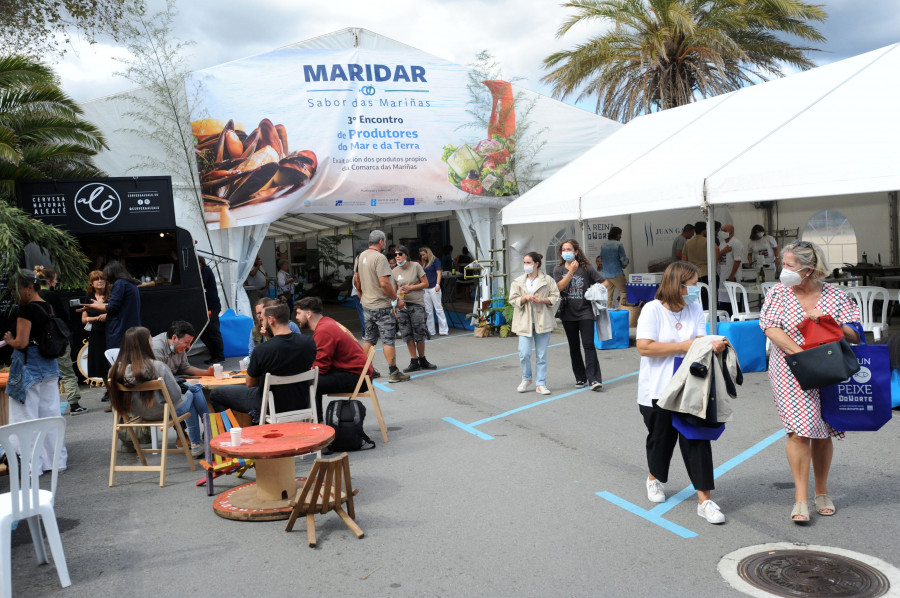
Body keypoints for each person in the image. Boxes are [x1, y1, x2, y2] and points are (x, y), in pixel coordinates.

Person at [759, 240, 860, 523]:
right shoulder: (778, 294)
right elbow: (769, 327)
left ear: (809, 268)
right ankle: (800, 498)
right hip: (791, 369)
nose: (784, 270)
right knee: (798, 430)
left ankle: (822, 491)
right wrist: (801, 354)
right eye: (784, 264)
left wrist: (831, 322)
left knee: (823, 429)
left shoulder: (835, 296)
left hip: (829, 369)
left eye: (790, 266)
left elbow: (855, 334)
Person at [636, 261, 728, 524]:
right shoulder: (652, 310)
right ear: (678, 285)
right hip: (657, 388)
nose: (696, 289)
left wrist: (713, 346)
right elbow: (645, 347)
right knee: (661, 440)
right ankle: (654, 478)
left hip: (691, 387)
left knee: (697, 440)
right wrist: (684, 345)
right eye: (693, 284)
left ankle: (705, 500)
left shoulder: (695, 307)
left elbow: (700, 342)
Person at [108, 327, 210, 457]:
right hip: (163, 413)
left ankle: (196, 442)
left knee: (191, 391)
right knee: (193, 390)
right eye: (150, 340)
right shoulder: (157, 367)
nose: (153, 343)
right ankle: (202, 436)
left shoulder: (115, 370)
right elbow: (175, 395)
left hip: (138, 413)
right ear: (146, 344)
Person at [3, 269, 67, 473]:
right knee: (50, 415)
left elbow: (22, 342)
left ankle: (32, 466)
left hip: (27, 368)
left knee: (25, 418)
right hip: (49, 367)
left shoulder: (27, 310)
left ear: (29, 288)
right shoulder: (47, 306)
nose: (14, 294)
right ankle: (56, 461)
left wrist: (10, 340)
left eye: (16, 290)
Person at [210, 302, 316, 423]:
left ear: (271, 320)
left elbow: (250, 383)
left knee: (216, 394)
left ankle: (233, 436)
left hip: (270, 403)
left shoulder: (263, 349)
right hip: (301, 400)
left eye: (263, 319)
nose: (262, 323)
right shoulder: (309, 342)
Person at [295, 296, 374, 420]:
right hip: (359, 374)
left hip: (358, 377)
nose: (296, 317)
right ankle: (316, 421)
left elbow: (320, 369)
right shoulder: (326, 322)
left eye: (299, 313)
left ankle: (317, 424)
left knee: (308, 382)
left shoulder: (323, 330)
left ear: (309, 314)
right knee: (309, 379)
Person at [354, 230, 409, 383]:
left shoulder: (360, 256)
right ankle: (393, 372)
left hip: (367, 304)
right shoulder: (380, 258)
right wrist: (396, 300)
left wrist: (361, 295)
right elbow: (384, 284)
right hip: (381, 305)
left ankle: (364, 369)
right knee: (388, 340)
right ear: (381, 241)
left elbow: (356, 279)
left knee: (369, 338)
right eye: (384, 241)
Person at [553, 239, 605, 391]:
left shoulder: (586, 268)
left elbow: (604, 282)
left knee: (588, 344)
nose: (566, 252)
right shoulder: (559, 269)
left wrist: (594, 292)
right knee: (574, 347)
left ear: (576, 251)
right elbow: (559, 287)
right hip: (568, 312)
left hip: (585, 311)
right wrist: (570, 272)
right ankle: (580, 377)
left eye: (569, 249)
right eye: (564, 249)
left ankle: (594, 379)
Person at [34, 265, 85, 415]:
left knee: (46, 376)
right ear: (49, 281)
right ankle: (74, 404)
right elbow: (63, 315)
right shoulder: (52, 296)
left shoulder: (32, 296)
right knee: (67, 371)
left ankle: (47, 408)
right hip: (58, 338)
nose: (56, 283)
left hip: (40, 341)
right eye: (55, 280)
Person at [509, 251, 559, 395]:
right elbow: (512, 299)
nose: (526, 265)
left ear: (536, 264)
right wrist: (524, 298)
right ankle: (526, 378)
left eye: (528, 263)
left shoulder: (547, 280)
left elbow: (556, 296)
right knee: (523, 353)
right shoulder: (518, 281)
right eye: (524, 263)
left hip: (542, 320)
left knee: (541, 355)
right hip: (524, 321)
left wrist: (542, 300)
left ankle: (541, 383)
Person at [392, 245, 437, 373]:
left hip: (416, 303)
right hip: (402, 305)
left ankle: (423, 359)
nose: (398, 257)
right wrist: (394, 306)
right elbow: (394, 290)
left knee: (419, 332)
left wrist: (410, 288)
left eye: (400, 254)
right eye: (395, 255)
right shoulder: (394, 271)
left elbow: (426, 283)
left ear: (406, 255)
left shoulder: (416, 266)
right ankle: (414, 360)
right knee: (406, 333)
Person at [82, 261, 141, 350]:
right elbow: (120, 305)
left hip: (121, 330)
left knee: (119, 360)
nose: (105, 279)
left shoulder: (120, 283)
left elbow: (112, 307)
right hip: (132, 329)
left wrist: (92, 306)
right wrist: (99, 305)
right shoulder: (131, 284)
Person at [82, 270, 110, 401]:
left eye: (102, 279)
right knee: (101, 363)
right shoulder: (88, 298)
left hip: (110, 332)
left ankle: (116, 390)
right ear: (92, 283)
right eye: (96, 279)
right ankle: (109, 390)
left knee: (112, 363)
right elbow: (84, 319)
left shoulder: (111, 296)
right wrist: (98, 317)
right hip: (96, 334)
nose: (100, 281)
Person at [682, 221, 720, 309]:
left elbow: (684, 260)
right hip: (707, 273)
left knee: (695, 300)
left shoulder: (688, 243)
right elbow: (717, 249)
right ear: (704, 231)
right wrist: (714, 266)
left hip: (692, 275)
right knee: (710, 299)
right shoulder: (708, 241)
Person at [198, 257, 225, 364]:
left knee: (213, 331)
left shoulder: (205, 270)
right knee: (204, 332)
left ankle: (219, 355)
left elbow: (201, 284)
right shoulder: (205, 270)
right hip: (208, 306)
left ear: (200, 264)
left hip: (211, 306)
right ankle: (215, 354)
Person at [420, 246, 449, 337]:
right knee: (428, 310)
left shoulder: (435, 260)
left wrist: (438, 284)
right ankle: (431, 330)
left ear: (428, 253)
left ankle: (443, 330)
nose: (422, 257)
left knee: (438, 308)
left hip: (433, 287)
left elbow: (439, 272)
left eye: (424, 255)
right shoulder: (425, 263)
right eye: (421, 255)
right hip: (427, 288)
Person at [599, 227, 629, 308]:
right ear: (617, 235)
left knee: (609, 295)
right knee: (625, 292)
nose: (621, 236)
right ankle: (621, 310)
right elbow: (624, 260)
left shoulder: (603, 245)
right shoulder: (619, 245)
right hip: (617, 273)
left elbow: (601, 258)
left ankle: (608, 313)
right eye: (620, 234)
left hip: (606, 274)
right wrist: (627, 261)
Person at [716, 224, 744, 313]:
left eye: (725, 230)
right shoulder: (722, 243)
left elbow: (737, 260)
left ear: (731, 232)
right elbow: (718, 258)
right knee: (723, 304)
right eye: (722, 230)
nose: (723, 232)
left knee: (733, 303)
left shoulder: (736, 243)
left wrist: (732, 275)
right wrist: (722, 252)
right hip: (723, 276)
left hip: (732, 277)